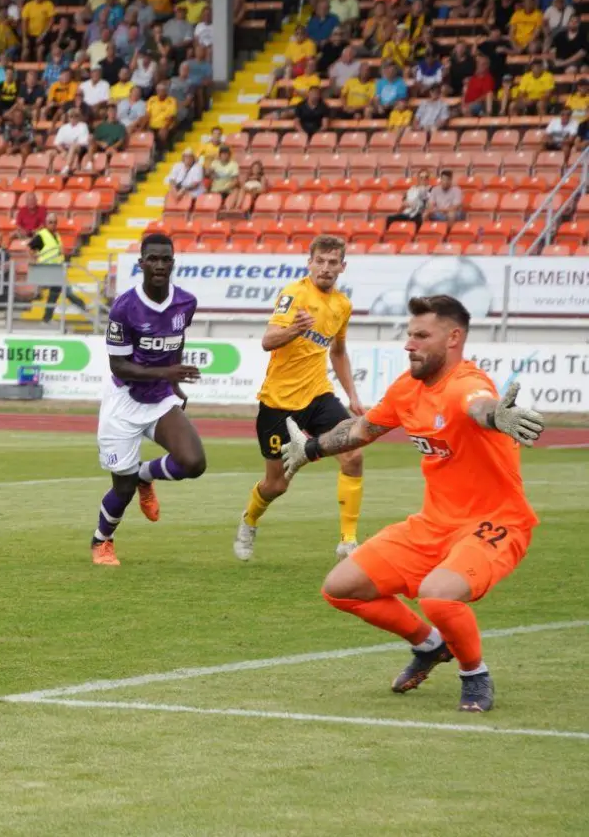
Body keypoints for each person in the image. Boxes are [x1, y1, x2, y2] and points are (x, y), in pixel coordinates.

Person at [282, 295, 546, 713]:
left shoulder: (466, 384)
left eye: (422, 336)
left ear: (454, 338)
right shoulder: (407, 389)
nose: (409, 344)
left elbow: (479, 406)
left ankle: (474, 674)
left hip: (495, 522)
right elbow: (361, 431)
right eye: (409, 335)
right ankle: (430, 645)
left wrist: (499, 417)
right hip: (433, 524)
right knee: (340, 589)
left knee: (437, 595)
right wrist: (310, 449)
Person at [237, 236, 365, 562]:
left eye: (332, 262)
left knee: (353, 455)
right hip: (279, 403)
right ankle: (249, 519)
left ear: (342, 267)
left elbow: (337, 351)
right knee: (276, 485)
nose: (325, 268)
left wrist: (352, 394)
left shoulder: (342, 305)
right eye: (320, 261)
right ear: (310, 262)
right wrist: (294, 329)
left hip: (319, 395)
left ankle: (348, 541)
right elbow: (268, 341)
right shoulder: (294, 294)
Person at [91, 233, 207, 566]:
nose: (159, 265)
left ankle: (147, 474)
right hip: (123, 403)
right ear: (141, 263)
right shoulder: (124, 307)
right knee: (122, 489)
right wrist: (167, 375)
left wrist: (174, 383)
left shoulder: (186, 302)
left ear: (173, 262)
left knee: (193, 462)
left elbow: (176, 339)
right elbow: (120, 366)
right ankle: (101, 541)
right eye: (152, 259)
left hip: (159, 399)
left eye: (165, 259)